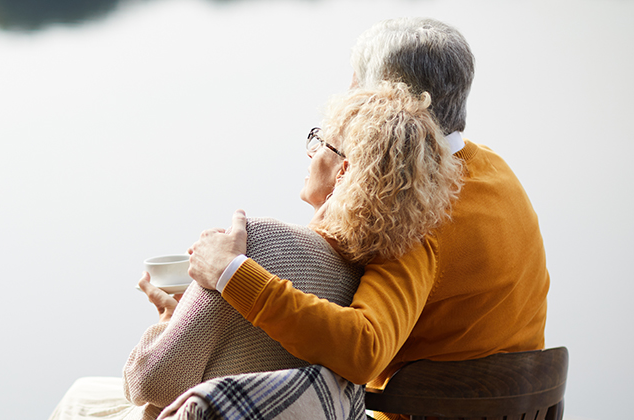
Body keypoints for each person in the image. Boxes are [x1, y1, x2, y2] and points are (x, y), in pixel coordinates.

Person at [187, 17, 550, 420]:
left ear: (391, 103)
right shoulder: (494, 171)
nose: (349, 99)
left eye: (358, 86)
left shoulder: (415, 212)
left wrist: (230, 273)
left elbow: (363, 350)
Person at [48, 81, 464, 420]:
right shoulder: (365, 275)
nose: (310, 152)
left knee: (78, 397)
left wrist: (166, 322)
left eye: (321, 142)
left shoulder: (255, 244)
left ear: (344, 169)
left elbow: (149, 381)